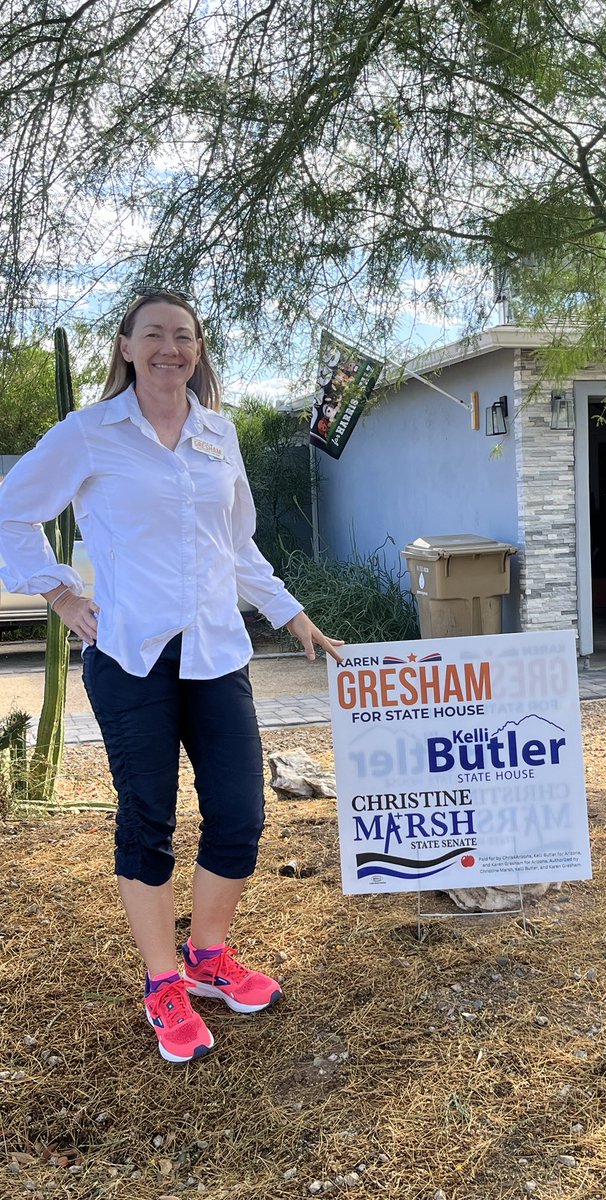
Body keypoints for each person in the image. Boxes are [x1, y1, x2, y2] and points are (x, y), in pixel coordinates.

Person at [0, 288, 344, 1063]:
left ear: (198, 349)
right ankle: (162, 983)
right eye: (153, 334)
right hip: (130, 654)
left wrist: (294, 616)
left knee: (239, 814)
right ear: (125, 346)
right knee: (147, 818)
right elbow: (10, 510)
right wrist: (58, 590)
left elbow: (240, 546)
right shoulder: (89, 435)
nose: (170, 348)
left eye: (183, 336)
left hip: (217, 653)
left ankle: (208, 958)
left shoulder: (218, 433)